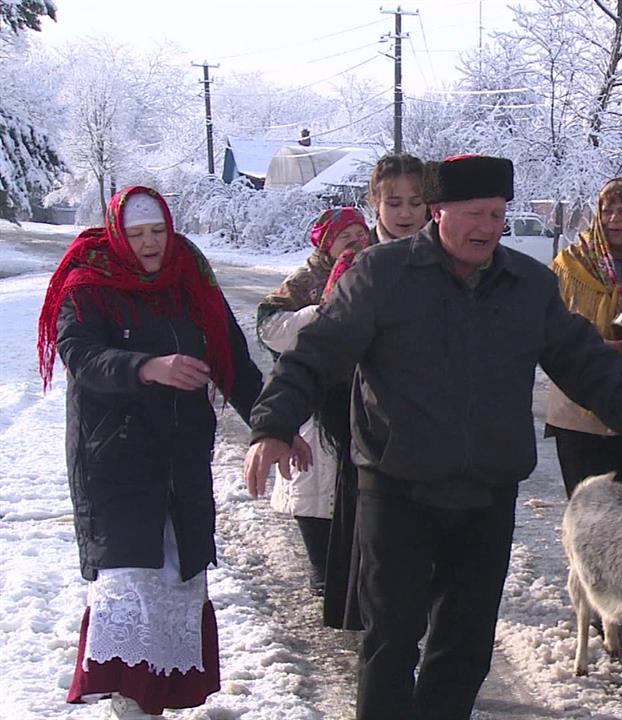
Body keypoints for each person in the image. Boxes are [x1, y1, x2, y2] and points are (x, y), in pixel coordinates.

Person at [242, 154, 622, 720]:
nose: (487, 228)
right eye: (475, 214)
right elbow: (315, 356)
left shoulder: (526, 286)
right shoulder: (380, 275)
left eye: (498, 215)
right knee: (391, 641)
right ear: (438, 211)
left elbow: (588, 364)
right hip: (396, 488)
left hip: (485, 494)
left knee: (465, 646)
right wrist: (273, 426)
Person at [36, 187, 276, 719]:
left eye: (158, 232)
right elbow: (79, 353)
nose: (149, 244)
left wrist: (273, 424)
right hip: (115, 461)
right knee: (129, 585)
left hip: (180, 459)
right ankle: (130, 708)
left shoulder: (190, 276)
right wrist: (147, 366)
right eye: (138, 234)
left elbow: (231, 356)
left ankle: (154, 705)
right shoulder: (90, 281)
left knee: (175, 582)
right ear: (120, 234)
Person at [318, 153, 432, 631]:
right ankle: (372, 624)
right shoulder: (355, 264)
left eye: (415, 201)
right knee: (373, 540)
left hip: (429, 423)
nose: (405, 213)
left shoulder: (443, 256)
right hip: (365, 418)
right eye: (394, 202)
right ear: (375, 204)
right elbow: (330, 344)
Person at [256, 207, 370, 597]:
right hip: (317, 401)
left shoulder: (373, 271)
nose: (356, 241)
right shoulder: (305, 281)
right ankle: (322, 569)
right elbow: (270, 328)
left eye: (361, 232)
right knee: (316, 492)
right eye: (346, 236)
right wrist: (318, 315)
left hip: (359, 399)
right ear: (326, 243)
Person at [546, 177, 622, 498]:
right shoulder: (570, 265)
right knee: (588, 514)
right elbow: (551, 325)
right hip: (578, 412)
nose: (615, 220)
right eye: (607, 211)